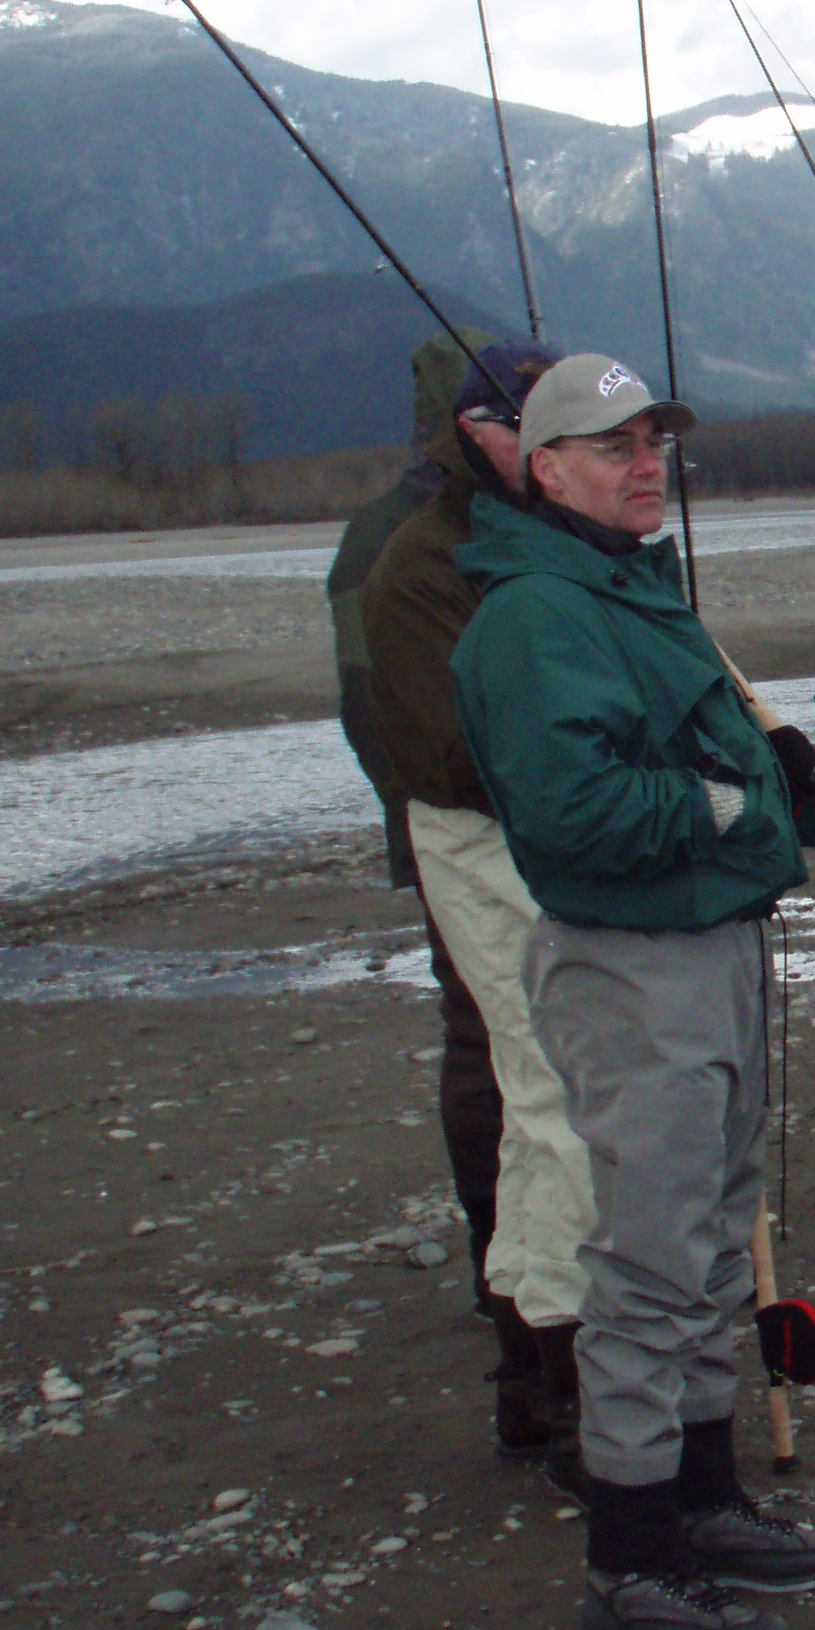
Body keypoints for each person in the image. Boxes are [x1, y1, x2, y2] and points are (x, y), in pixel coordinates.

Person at [454, 354, 815, 1630]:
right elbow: (575, 808)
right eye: (608, 445)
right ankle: (632, 1567)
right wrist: (722, 809)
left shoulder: (632, 592)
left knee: (713, 1238)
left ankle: (704, 1500)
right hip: (631, 965)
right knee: (647, 1264)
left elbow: (720, 751)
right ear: (542, 470)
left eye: (654, 441)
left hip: (717, 947)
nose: (643, 464)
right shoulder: (534, 617)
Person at [361, 337, 593, 1490]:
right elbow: (437, 746)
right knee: (521, 1088)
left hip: (576, 851)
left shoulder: (563, 537)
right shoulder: (414, 563)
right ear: (471, 430)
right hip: (482, 852)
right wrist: (593, 770)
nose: (543, 442)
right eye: (523, 422)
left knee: (572, 1094)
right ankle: (542, 1378)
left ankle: (571, 1363)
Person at [326, 327, 503, 1299]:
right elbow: (369, 705)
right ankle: (495, 1255)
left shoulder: (517, 517)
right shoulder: (389, 539)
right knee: (482, 1037)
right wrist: (423, 817)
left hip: (522, 820)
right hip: (444, 822)